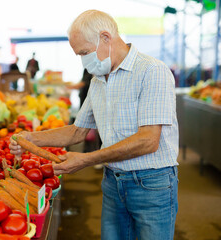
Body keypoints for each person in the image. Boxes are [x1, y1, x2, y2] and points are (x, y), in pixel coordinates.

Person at [10, 10, 179, 240]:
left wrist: (87, 160)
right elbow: (78, 130)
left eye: (84, 52)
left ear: (106, 38)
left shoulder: (151, 71)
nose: (83, 60)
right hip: (113, 182)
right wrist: (30, 138)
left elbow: (148, 140)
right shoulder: (99, 79)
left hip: (151, 185)